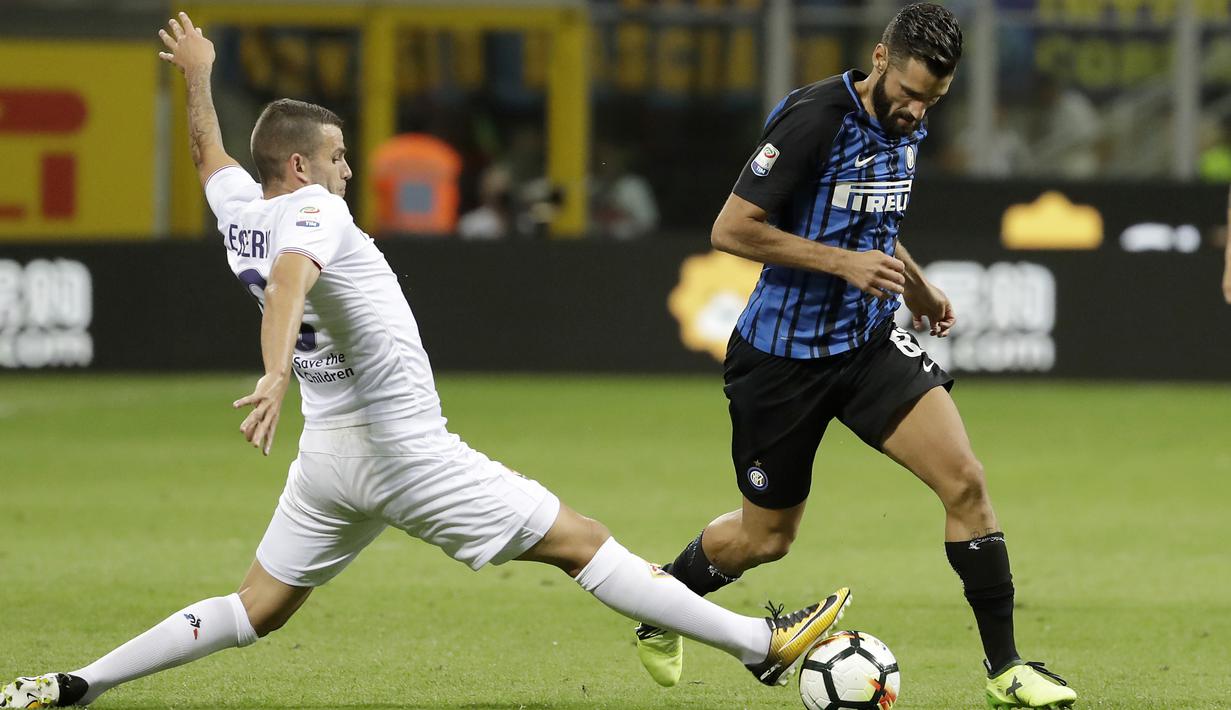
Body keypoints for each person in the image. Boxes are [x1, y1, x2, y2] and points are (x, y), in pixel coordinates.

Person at [0, 12, 848, 708]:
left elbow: (207, 157)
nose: (347, 169)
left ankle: (82, 682)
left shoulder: (241, 210)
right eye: (335, 156)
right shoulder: (313, 215)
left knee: (255, 606)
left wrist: (196, 74)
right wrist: (271, 372)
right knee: (583, 543)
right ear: (298, 165)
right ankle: (760, 648)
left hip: (329, 458)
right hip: (401, 448)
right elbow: (293, 282)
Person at [631, 5, 1078, 709]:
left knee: (963, 482)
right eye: (907, 91)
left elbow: (869, 217)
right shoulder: (813, 119)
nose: (915, 108)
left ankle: (1005, 669)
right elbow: (732, 228)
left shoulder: (910, 119)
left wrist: (921, 286)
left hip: (866, 344)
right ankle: (661, 604)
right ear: (878, 59)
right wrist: (841, 264)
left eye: (932, 97)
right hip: (780, 359)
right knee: (765, 537)